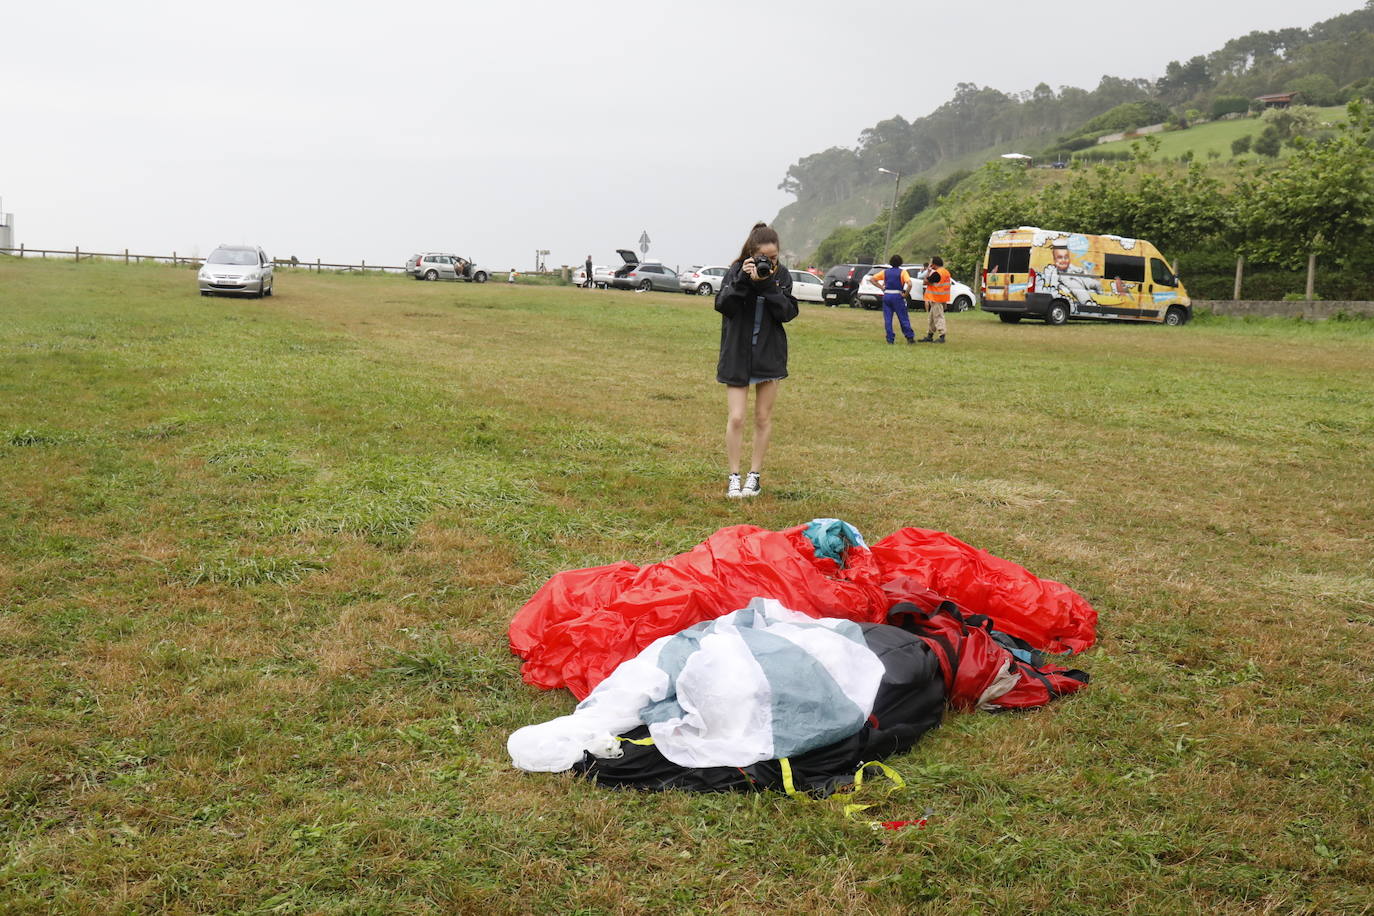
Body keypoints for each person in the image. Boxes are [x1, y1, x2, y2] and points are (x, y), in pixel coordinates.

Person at [714, 222, 798, 499]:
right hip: (738, 354)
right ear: (752, 253)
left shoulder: (781, 276)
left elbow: (787, 312)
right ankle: (734, 476)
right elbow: (723, 305)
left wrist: (768, 284)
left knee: (763, 417)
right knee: (737, 417)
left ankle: (755, 476)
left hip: (768, 355)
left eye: (774, 258)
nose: (770, 263)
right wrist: (745, 281)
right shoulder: (737, 271)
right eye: (764, 258)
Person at [1036, 243, 1101, 314]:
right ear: (1054, 260)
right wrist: (1056, 287)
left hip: (1082, 279)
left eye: (1066, 257)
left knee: (1096, 283)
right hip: (1070, 281)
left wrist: (1083, 271)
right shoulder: (1054, 271)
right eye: (1060, 257)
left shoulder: (1071, 266)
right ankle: (1087, 302)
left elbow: (1078, 269)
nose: (1063, 260)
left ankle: (1101, 294)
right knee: (1078, 289)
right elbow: (1053, 282)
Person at [872, 255, 914, 344]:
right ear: (900, 263)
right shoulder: (903, 272)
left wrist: (882, 288)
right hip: (897, 296)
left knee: (888, 319)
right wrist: (905, 294)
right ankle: (909, 337)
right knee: (903, 317)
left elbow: (872, 279)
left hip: (887, 295)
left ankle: (890, 339)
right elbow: (909, 284)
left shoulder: (885, 272)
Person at [917, 256, 951, 343]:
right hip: (940, 298)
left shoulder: (937, 273)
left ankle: (942, 336)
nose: (930, 264)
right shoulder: (945, 272)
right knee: (932, 318)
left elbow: (925, 282)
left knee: (938, 317)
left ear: (934, 264)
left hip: (936, 299)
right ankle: (930, 335)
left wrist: (928, 271)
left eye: (931, 262)